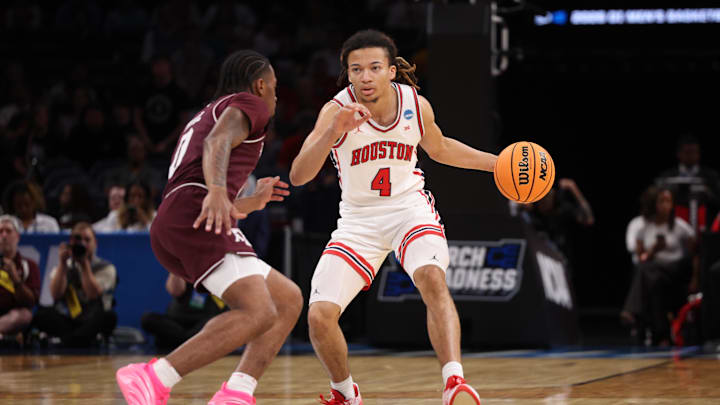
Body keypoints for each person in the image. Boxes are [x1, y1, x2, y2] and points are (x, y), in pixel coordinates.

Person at [289, 29, 496, 405]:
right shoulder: (335, 111)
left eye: (374, 67)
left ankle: (454, 383)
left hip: (408, 210)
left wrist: (496, 165)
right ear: (347, 74)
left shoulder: (415, 105)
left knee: (431, 277)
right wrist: (332, 132)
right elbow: (298, 176)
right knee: (319, 316)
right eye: (356, 69)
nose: (365, 76)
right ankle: (345, 393)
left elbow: (441, 148)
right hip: (357, 223)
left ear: (390, 71)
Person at [116, 50, 303, 405]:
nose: (276, 96)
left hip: (179, 219)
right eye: (275, 87)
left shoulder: (209, 110)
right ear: (261, 85)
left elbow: (206, 177)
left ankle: (236, 392)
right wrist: (218, 190)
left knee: (287, 300)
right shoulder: (251, 104)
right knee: (258, 311)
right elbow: (215, 144)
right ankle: (154, 376)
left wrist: (248, 202)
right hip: (192, 212)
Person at [621, 187, 697, 346]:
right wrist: (654, 249)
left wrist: (695, 279)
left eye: (668, 201)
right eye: (661, 201)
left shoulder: (680, 226)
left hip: (677, 270)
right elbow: (641, 257)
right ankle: (661, 336)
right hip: (656, 273)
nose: (665, 205)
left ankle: (631, 310)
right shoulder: (644, 228)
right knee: (652, 278)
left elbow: (694, 254)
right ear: (653, 204)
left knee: (648, 271)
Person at [33, 222, 117, 347]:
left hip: (92, 318)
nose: (83, 244)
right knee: (42, 314)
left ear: (95, 243)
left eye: (87, 240)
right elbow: (55, 294)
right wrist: (62, 264)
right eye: (78, 240)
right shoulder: (64, 266)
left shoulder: (106, 268)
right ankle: (78, 340)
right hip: (69, 318)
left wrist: (84, 265)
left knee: (108, 316)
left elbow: (92, 294)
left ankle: (67, 341)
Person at [141, 274, 226, 350]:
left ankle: (181, 343)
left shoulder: (221, 272)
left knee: (214, 323)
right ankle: (187, 343)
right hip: (176, 324)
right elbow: (175, 291)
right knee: (148, 318)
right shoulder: (185, 267)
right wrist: (175, 266)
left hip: (202, 324)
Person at [0, 215, 41, 343]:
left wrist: (15, 278)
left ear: (17, 236)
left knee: (25, 315)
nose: (4, 235)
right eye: (0, 231)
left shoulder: (29, 265)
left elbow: (30, 302)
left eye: (8, 231)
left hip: (12, 317)